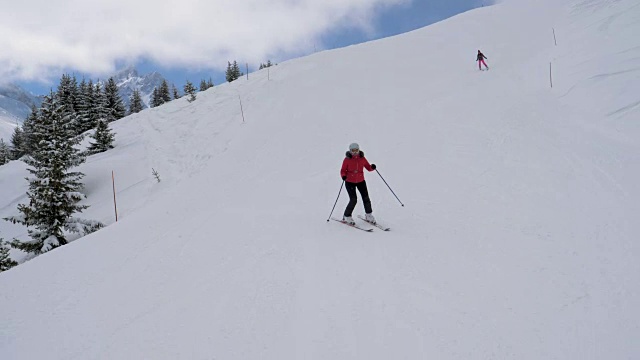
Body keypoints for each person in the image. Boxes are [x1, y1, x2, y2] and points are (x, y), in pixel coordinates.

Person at [340, 143, 377, 225]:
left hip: (361, 181)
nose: (355, 152)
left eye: (356, 150)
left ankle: (369, 215)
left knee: (366, 197)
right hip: (350, 182)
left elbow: (368, 167)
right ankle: (347, 216)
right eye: (353, 151)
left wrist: (372, 167)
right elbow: (343, 170)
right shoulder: (347, 159)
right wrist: (344, 176)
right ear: (350, 151)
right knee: (353, 199)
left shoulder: (362, 158)